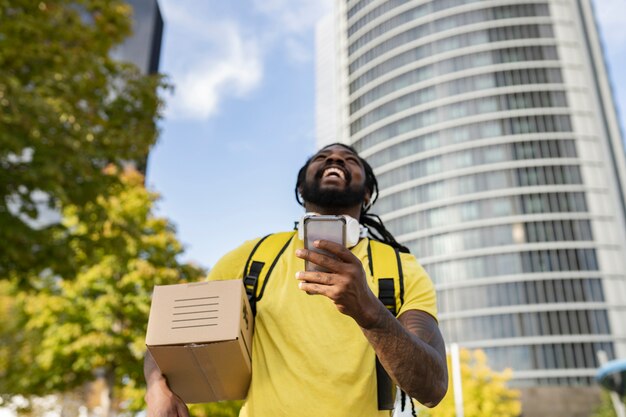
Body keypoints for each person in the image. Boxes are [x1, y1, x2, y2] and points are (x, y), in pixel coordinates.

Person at [144, 143, 448, 416]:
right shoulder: (251, 257)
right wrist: (156, 386)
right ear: (301, 189)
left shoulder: (401, 268)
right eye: (323, 157)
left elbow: (433, 387)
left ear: (367, 193)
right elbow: (173, 333)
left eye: (349, 159)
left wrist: (370, 312)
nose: (335, 159)